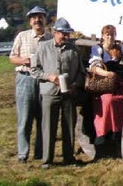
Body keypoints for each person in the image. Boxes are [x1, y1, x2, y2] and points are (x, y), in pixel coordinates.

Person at [30, 18, 85, 169]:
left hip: (68, 94)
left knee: (68, 125)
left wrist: (76, 84)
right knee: (48, 126)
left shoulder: (74, 49)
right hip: (49, 92)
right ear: (55, 33)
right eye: (63, 33)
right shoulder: (43, 47)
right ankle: (47, 160)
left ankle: (69, 157)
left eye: (67, 33)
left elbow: (81, 72)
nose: (66, 36)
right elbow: (34, 70)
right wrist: (49, 77)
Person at [9, 6, 52, 164]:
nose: (37, 20)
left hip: (43, 80)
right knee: (25, 118)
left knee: (43, 118)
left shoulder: (49, 38)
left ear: (44, 19)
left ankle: (40, 153)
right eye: (34, 18)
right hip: (25, 78)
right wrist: (24, 60)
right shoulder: (23, 36)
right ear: (30, 21)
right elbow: (12, 57)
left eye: (40, 17)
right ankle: (22, 154)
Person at [88, 25, 123, 156]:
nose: (110, 38)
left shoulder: (120, 48)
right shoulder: (97, 48)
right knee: (108, 101)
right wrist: (107, 73)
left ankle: (120, 134)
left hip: (118, 81)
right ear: (103, 36)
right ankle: (104, 137)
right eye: (107, 35)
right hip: (103, 82)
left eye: (112, 35)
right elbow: (94, 67)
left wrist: (122, 54)